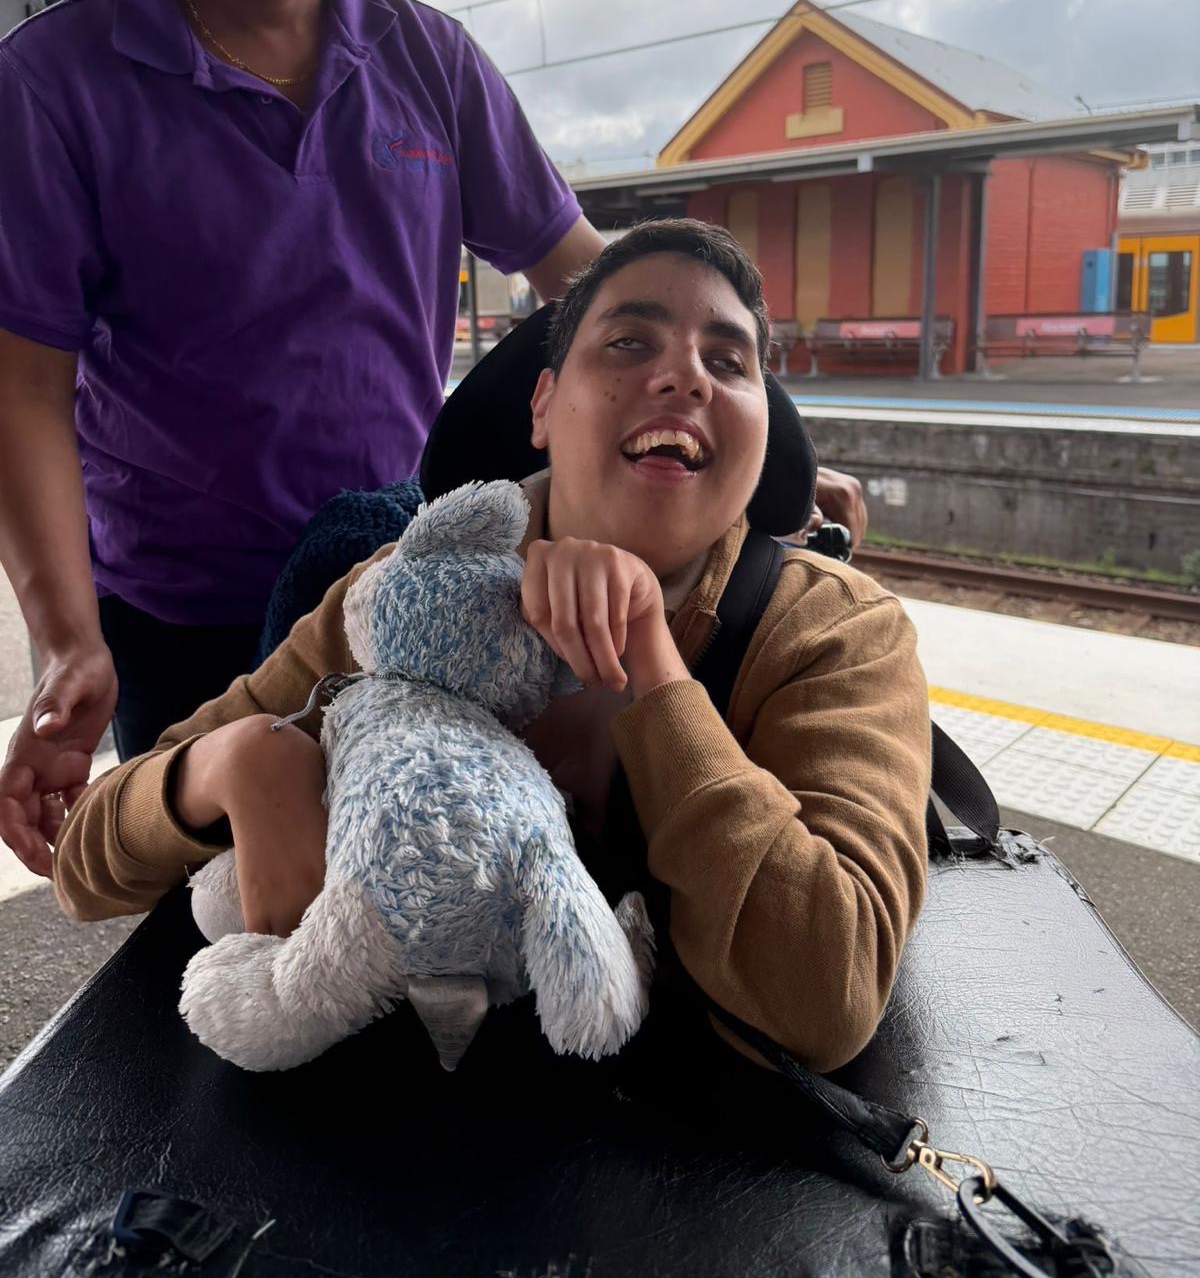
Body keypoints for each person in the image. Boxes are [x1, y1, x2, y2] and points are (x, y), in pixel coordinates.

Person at [0, 0, 863, 873]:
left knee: (407, 885)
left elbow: (602, 285)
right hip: (178, 615)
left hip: (399, 587)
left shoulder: (430, 62)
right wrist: (66, 643)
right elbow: (24, 387)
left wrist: (786, 468)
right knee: (199, 938)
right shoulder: (50, 84)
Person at [51, 221, 926, 1072]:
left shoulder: (835, 633)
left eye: (729, 362)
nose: (684, 377)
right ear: (541, 407)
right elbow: (88, 862)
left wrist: (656, 671)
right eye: (629, 342)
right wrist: (238, 762)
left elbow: (830, 998)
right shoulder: (403, 595)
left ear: (761, 430)